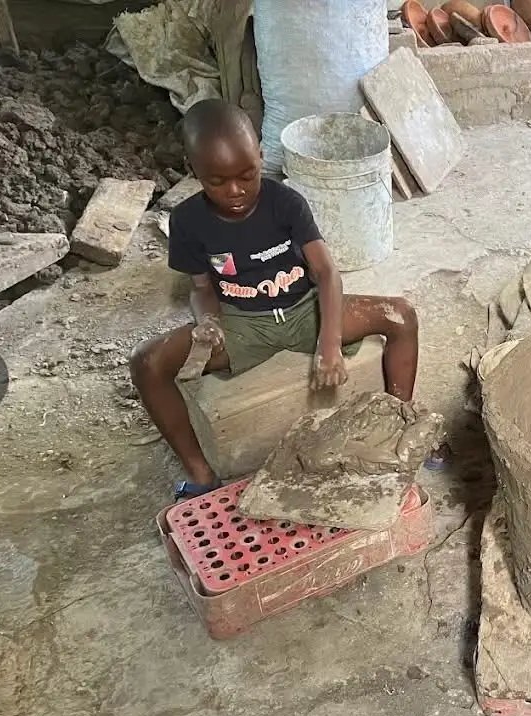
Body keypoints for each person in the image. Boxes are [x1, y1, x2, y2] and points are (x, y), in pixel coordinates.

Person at [130, 100, 419, 500]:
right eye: (217, 181)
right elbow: (201, 288)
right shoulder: (187, 221)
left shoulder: (285, 202)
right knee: (147, 363)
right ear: (192, 169)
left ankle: (402, 425)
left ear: (261, 156)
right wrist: (208, 322)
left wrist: (330, 343)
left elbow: (327, 273)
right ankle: (201, 476)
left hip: (306, 313)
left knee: (401, 316)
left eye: (247, 175)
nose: (235, 191)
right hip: (243, 324)